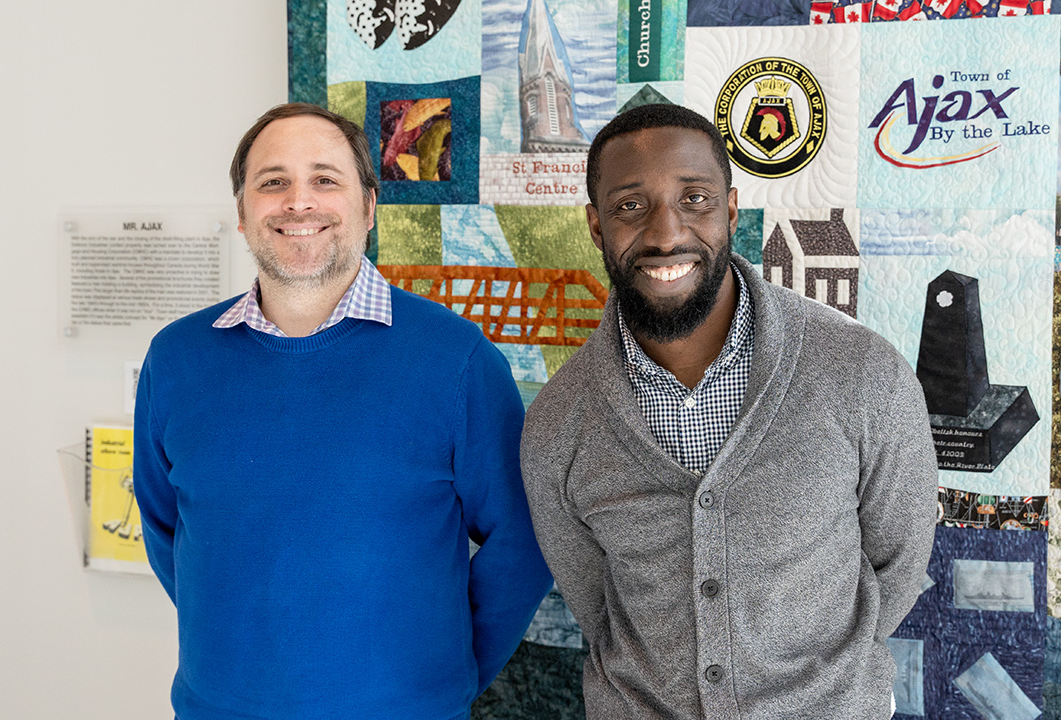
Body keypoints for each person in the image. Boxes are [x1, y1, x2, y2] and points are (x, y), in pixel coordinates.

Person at [134, 102, 552, 719]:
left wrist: (440, 680)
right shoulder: (175, 359)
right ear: (244, 215)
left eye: (325, 180)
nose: (298, 203)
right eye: (273, 182)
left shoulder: (456, 361)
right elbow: (166, 526)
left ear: (369, 207)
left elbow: (522, 545)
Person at [520, 103, 937, 719]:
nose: (665, 234)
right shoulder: (557, 423)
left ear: (732, 210)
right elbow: (593, 599)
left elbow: (898, 563)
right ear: (595, 225)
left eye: (695, 200)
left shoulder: (861, 373)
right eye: (631, 205)